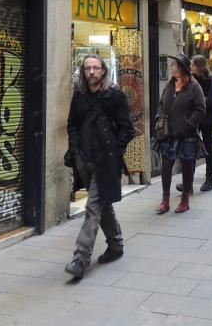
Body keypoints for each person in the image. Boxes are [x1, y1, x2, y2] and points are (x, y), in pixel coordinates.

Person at [64, 53, 136, 280]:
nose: (92, 72)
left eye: (96, 68)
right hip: (85, 161)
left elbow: (127, 128)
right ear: (83, 72)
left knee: (93, 207)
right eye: (88, 68)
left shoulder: (114, 95)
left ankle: (80, 258)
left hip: (107, 162)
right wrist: (76, 151)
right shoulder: (80, 97)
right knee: (103, 205)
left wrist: (116, 151)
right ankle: (116, 245)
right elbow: (72, 124)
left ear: (103, 71)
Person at [154, 53, 205, 214]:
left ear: (181, 68)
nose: (170, 68)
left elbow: (200, 109)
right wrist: (159, 117)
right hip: (168, 134)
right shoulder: (169, 85)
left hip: (187, 134)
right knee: (166, 167)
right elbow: (161, 103)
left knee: (187, 166)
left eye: (173, 65)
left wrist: (189, 124)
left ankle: (185, 200)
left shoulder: (194, 86)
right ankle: (165, 200)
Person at [183, 54, 212, 192]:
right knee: (190, 148)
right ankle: (189, 182)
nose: (190, 67)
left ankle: (209, 179)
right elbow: (187, 99)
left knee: (209, 148)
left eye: (192, 65)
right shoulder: (192, 80)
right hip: (196, 119)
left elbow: (211, 101)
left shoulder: (211, 79)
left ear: (199, 66)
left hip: (209, 119)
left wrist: (197, 101)